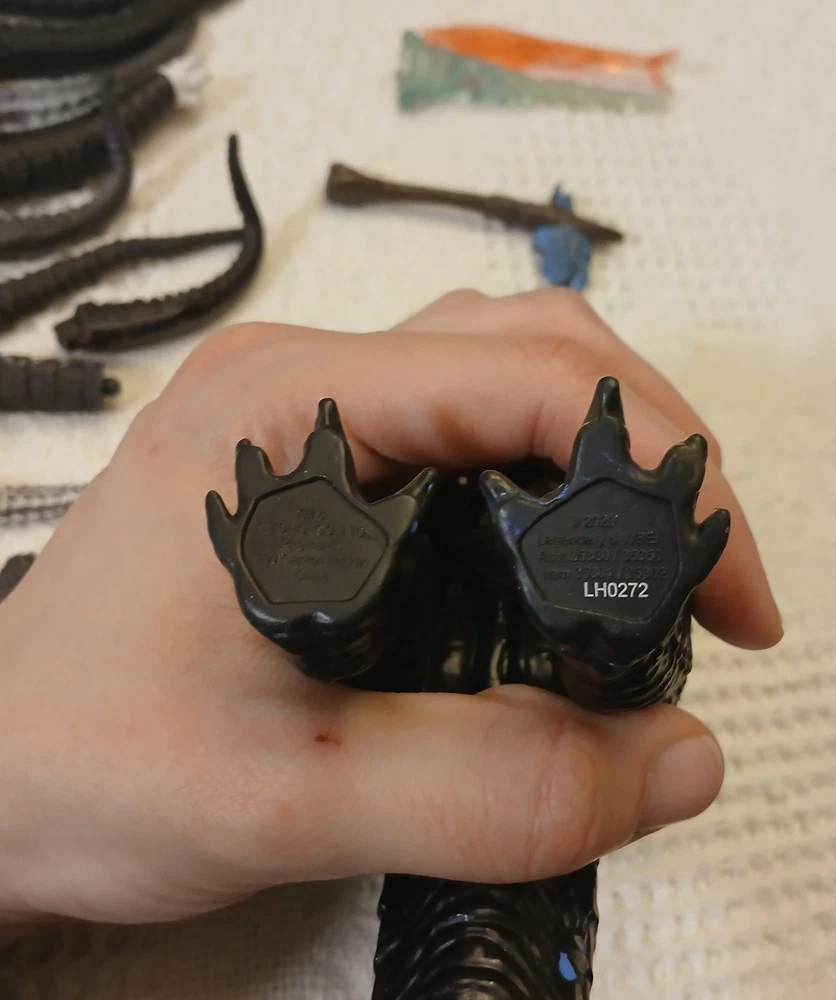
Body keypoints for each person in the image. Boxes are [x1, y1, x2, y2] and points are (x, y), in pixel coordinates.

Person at [0, 288, 781, 936]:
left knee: (601, 639)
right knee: (588, 637)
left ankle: (369, 615)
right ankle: (361, 616)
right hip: (435, 614)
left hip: (450, 611)